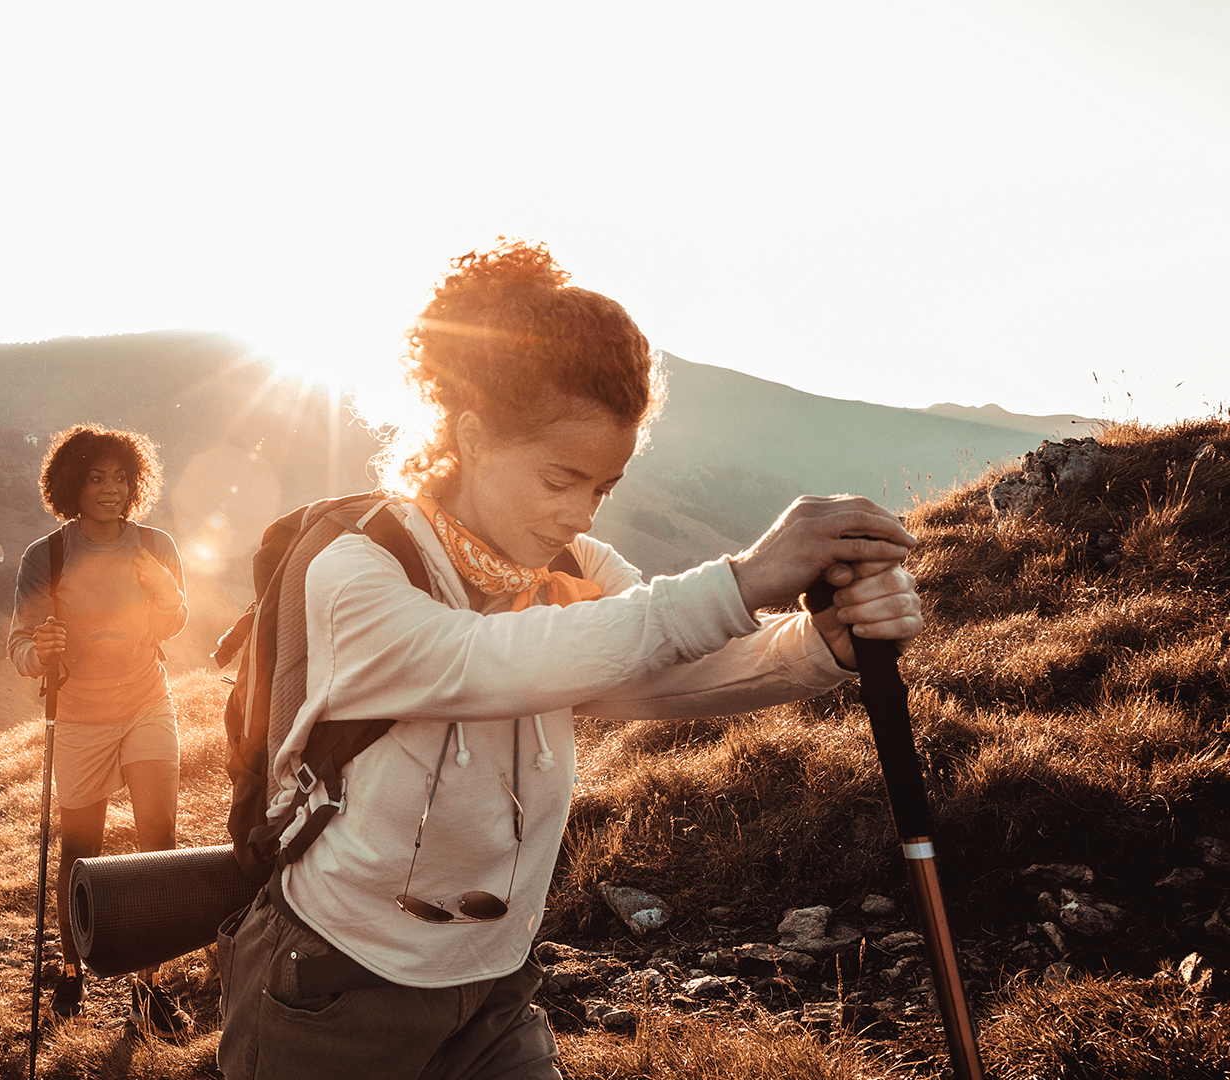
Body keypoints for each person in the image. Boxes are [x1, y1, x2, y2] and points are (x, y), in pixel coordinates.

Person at [215, 240, 926, 1080]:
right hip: (334, 984)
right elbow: (487, 663)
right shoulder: (356, 571)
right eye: (560, 479)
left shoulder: (575, 570)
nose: (580, 512)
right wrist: (745, 578)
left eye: (605, 486)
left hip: (495, 984)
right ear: (472, 436)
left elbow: (659, 668)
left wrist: (820, 648)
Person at [8, 423, 191, 1038]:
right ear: (70, 484)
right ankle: (70, 964)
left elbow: (172, 621)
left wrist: (166, 596)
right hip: (80, 714)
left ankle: (151, 984)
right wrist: (43, 651)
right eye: (96, 477)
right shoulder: (49, 555)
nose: (111, 488)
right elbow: (20, 645)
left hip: (145, 700)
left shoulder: (154, 544)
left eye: (121, 478)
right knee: (79, 851)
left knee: (158, 837)